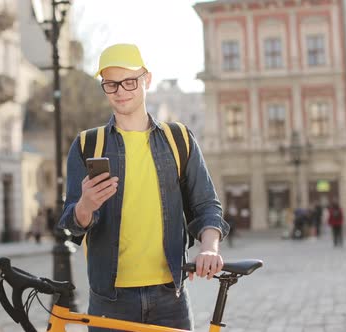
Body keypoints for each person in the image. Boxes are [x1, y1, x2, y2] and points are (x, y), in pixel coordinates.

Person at [59, 43, 229, 331]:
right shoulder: (88, 144)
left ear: (146, 79)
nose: (121, 91)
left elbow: (206, 205)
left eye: (129, 81)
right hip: (108, 298)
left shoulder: (179, 139)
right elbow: (73, 225)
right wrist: (85, 206)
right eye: (111, 84)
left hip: (169, 296)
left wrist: (210, 247)